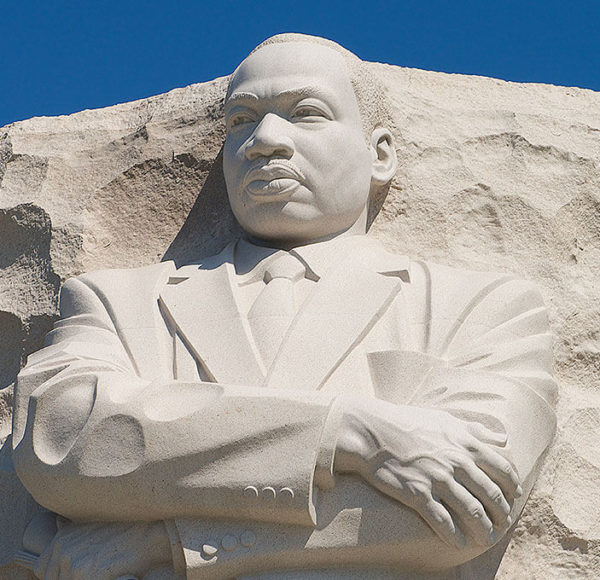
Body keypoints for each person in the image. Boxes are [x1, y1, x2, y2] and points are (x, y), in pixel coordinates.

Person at [11, 34, 557, 580]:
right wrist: (349, 433)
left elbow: (469, 506)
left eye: (306, 113)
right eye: (241, 120)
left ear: (380, 153)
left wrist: (168, 542)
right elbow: (60, 442)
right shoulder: (118, 301)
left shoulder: (482, 307)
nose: (264, 140)